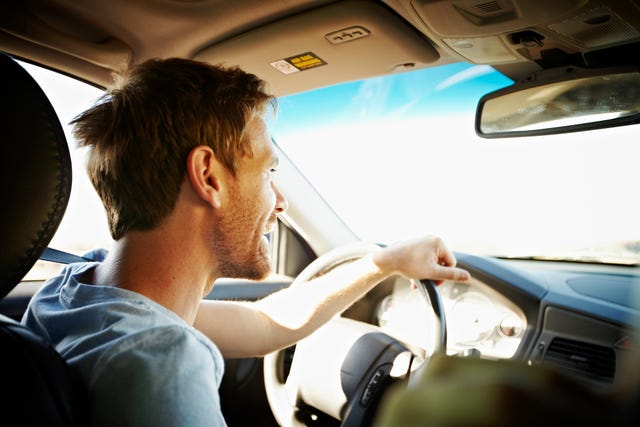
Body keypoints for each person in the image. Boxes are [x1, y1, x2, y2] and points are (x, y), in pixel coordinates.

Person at [21, 57, 470, 426]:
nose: (279, 203)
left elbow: (272, 324)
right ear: (209, 176)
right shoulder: (161, 361)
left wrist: (384, 262)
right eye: (269, 173)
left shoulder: (75, 293)